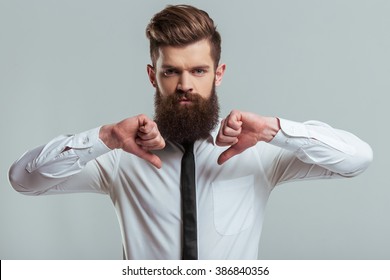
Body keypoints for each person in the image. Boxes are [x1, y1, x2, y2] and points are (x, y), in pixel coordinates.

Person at [8, 4, 372, 260]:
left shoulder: (259, 152)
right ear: (153, 75)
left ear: (219, 73)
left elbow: (357, 159)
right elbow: (24, 179)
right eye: (171, 72)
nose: (185, 85)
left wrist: (274, 131)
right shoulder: (121, 157)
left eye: (198, 71)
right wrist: (105, 138)